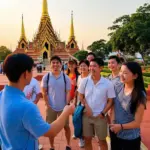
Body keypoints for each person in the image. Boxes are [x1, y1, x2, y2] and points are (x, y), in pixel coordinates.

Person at [0, 53, 74, 150]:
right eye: (31, 70)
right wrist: (66, 112)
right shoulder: (27, 106)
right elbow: (50, 132)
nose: (32, 73)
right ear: (26, 74)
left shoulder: (1, 95)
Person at [78, 58, 116, 150]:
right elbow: (81, 96)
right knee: (87, 140)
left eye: (94, 66)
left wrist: (103, 113)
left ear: (101, 68)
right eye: (90, 66)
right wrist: (87, 107)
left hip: (100, 116)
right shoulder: (85, 81)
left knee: (102, 141)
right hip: (86, 115)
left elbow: (111, 101)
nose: (91, 68)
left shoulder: (107, 83)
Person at [110, 62, 147, 150]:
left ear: (135, 76)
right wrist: (113, 123)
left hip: (130, 138)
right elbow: (114, 107)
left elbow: (137, 123)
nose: (121, 75)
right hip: (115, 132)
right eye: (121, 71)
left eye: (125, 73)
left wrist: (120, 127)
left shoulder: (140, 95)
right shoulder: (118, 87)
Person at [41, 55, 72, 150]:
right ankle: (52, 146)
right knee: (50, 128)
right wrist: (47, 104)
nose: (55, 65)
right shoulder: (46, 77)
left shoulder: (65, 77)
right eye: (53, 63)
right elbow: (43, 91)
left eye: (57, 63)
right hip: (51, 107)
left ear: (61, 64)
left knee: (66, 127)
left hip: (63, 107)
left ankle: (68, 144)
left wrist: (67, 105)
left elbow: (68, 93)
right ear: (50, 65)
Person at [76, 60, 90, 148]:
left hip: (89, 104)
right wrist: (75, 102)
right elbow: (77, 90)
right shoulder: (79, 77)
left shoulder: (91, 77)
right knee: (78, 120)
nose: (82, 68)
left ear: (88, 67)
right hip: (80, 103)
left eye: (84, 66)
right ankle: (81, 138)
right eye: (81, 66)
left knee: (87, 122)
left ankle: (88, 137)